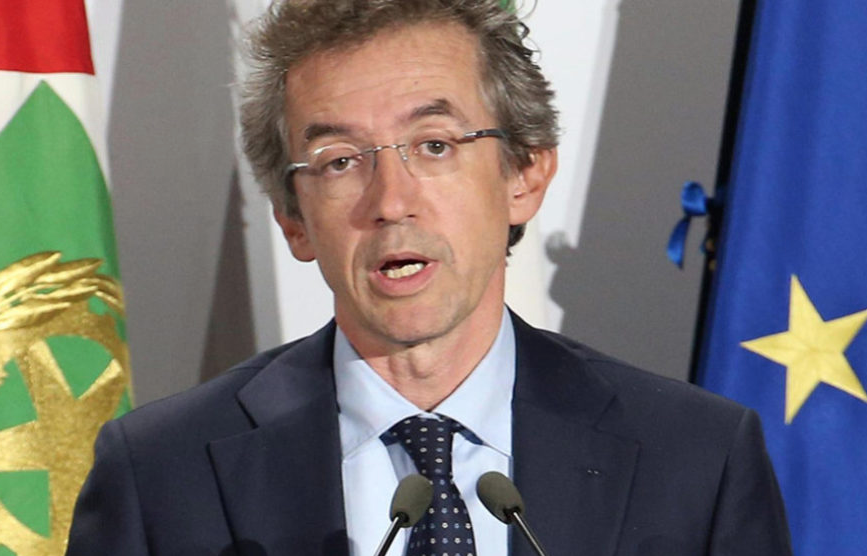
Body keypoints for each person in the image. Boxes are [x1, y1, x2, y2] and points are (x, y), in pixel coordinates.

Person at [67, 1, 792, 555]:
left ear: (524, 175)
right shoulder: (160, 474)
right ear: (294, 221)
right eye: (339, 161)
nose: (391, 201)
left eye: (435, 145)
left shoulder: (696, 460)